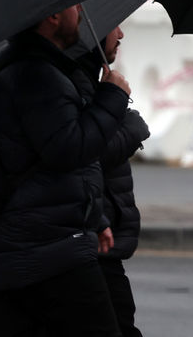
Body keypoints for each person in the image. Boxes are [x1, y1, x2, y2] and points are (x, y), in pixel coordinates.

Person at [0, 4, 130, 337]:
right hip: (47, 253)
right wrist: (113, 96)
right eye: (74, 5)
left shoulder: (16, 64)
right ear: (52, 16)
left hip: (10, 251)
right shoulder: (37, 74)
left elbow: (36, 163)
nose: (82, 13)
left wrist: (93, 218)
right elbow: (68, 149)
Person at [75, 25, 150, 337]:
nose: (120, 35)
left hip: (96, 237)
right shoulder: (69, 83)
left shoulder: (86, 81)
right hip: (87, 244)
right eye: (113, 26)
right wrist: (122, 108)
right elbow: (83, 150)